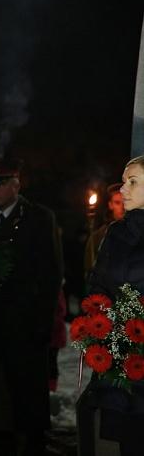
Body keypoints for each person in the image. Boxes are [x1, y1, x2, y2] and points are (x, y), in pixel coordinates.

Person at [0, 159, 63, 455]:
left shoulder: (38, 218)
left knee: (27, 392)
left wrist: (42, 323)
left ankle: (33, 441)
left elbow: (50, 274)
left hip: (25, 321)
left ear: (15, 184)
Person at [79, 155, 144, 455]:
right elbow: (99, 286)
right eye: (123, 181)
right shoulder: (115, 234)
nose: (123, 190)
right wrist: (100, 325)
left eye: (132, 182)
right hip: (122, 360)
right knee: (128, 439)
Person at [84, 183, 125, 278]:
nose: (122, 208)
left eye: (125, 202)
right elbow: (89, 268)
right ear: (110, 205)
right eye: (117, 203)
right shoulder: (99, 236)